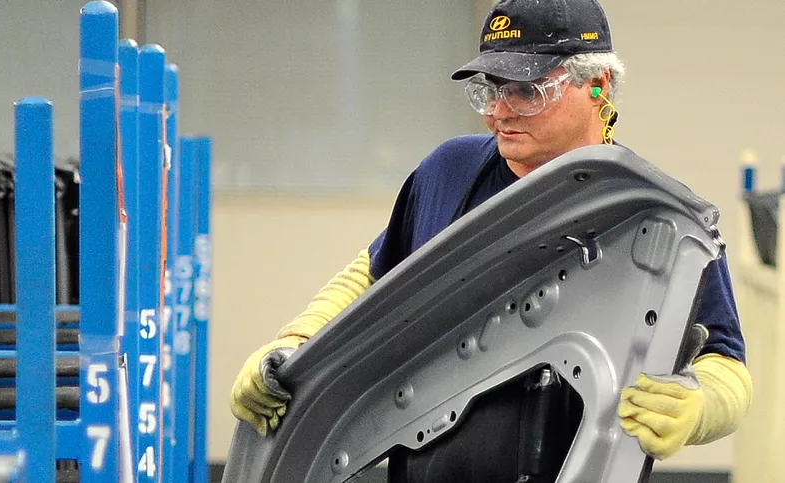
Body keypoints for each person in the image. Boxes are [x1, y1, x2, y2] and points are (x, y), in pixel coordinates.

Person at [230, 0, 753, 463]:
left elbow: (727, 365)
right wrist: (293, 347)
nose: (499, 114)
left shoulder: (653, 214)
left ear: (596, 86)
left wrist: (698, 405)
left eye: (526, 92)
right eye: (490, 91)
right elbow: (371, 277)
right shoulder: (449, 171)